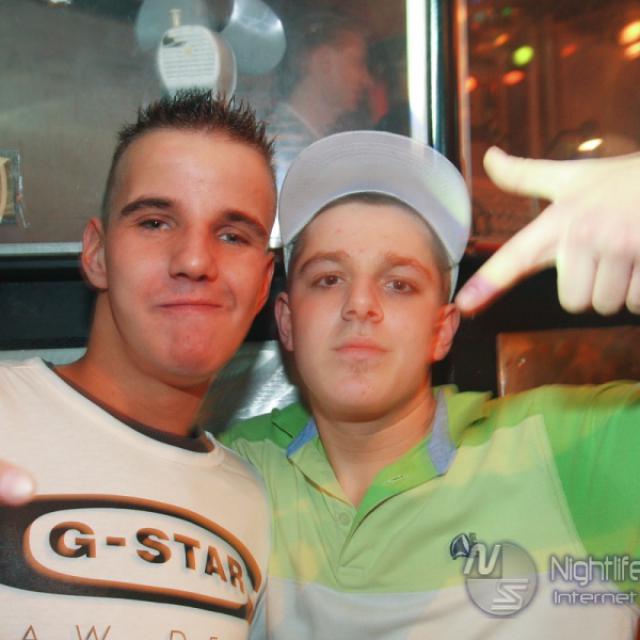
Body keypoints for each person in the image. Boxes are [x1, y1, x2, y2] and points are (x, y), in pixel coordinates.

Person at [222, 131, 640, 638]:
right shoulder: (237, 469)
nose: (360, 305)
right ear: (287, 322)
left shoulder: (571, 454)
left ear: (442, 331)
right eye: (329, 279)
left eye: (399, 284)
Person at [0, 90, 276, 639]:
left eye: (232, 235)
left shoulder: (256, 508)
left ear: (265, 283)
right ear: (97, 253)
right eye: (155, 222)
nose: (194, 260)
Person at [268, 12, 373, 190]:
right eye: (356, 62)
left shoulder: (308, 142)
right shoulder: (279, 144)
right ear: (323, 62)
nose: (366, 79)